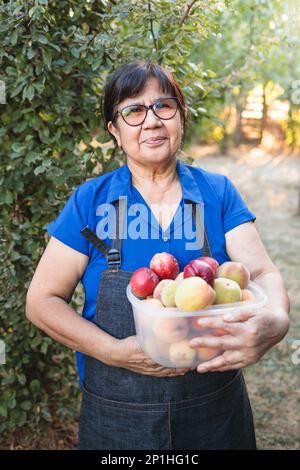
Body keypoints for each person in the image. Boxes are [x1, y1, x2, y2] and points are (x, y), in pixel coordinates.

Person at [26, 60, 290, 450]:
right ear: (115, 131)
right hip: (116, 416)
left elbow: (263, 273)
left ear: (181, 118)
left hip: (215, 413)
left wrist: (277, 321)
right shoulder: (90, 202)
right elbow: (41, 302)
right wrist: (113, 351)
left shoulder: (217, 193)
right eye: (133, 111)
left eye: (163, 107)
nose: (150, 121)